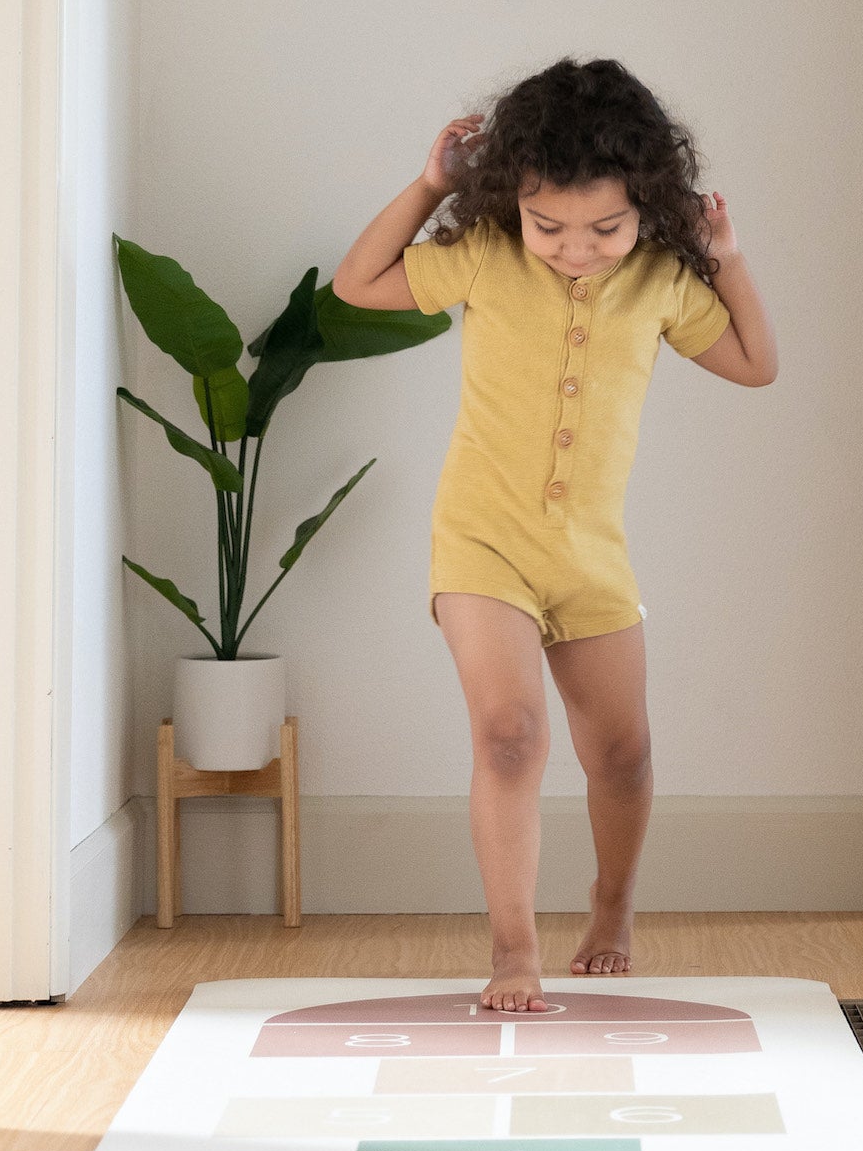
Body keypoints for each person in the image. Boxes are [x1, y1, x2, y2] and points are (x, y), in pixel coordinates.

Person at [332, 57, 777, 1009]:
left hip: (590, 559)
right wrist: (427, 188)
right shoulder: (486, 256)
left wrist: (727, 256)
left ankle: (611, 908)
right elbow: (356, 284)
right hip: (481, 542)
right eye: (550, 227)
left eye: (605, 229)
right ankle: (512, 951)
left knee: (621, 752)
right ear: (514, 204)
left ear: (646, 207)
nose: (576, 250)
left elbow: (754, 363)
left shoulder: (660, 278)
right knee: (508, 736)